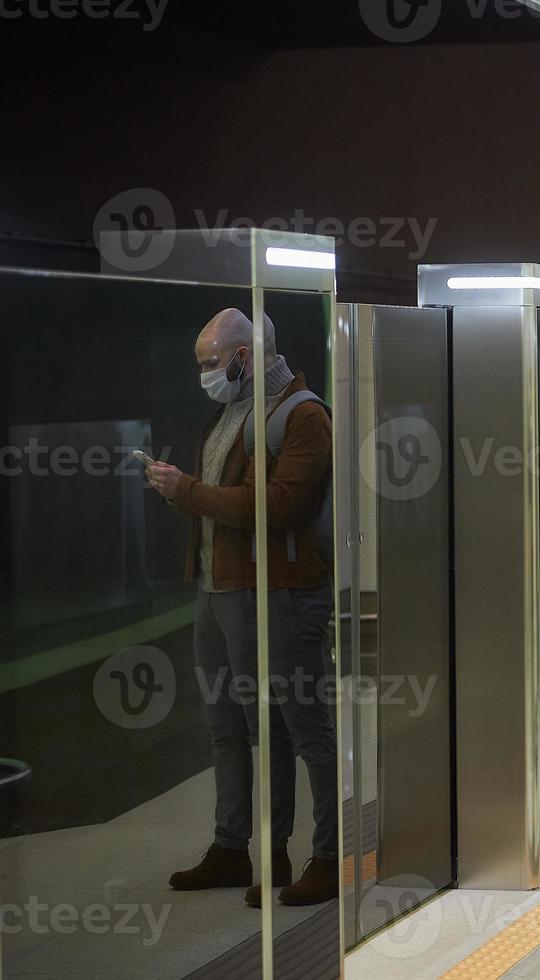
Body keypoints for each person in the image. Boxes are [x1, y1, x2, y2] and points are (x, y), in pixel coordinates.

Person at [144, 308, 338, 908]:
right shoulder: (230, 412)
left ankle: (329, 857)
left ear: (244, 356)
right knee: (228, 728)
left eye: (210, 362)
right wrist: (182, 493)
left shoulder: (303, 415)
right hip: (218, 588)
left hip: (278, 592)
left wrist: (189, 492)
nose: (204, 373)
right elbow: (223, 503)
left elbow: (279, 506)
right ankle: (239, 848)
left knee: (300, 728)